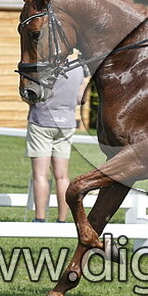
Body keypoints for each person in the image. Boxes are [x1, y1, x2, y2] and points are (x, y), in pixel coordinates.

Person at [25, 62, 88, 222]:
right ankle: (62, 220)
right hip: (66, 124)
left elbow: (30, 96)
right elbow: (81, 99)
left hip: (42, 121)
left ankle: (40, 219)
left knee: (41, 174)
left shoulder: (42, 67)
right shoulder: (79, 68)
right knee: (62, 176)